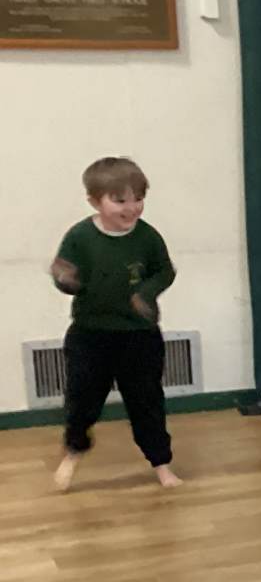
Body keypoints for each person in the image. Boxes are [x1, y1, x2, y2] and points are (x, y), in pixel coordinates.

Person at [48, 157, 180, 492]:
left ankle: (162, 464)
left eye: (138, 198)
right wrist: (65, 279)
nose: (131, 207)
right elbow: (68, 277)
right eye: (120, 200)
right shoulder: (80, 237)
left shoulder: (148, 237)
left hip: (139, 336)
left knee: (147, 402)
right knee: (81, 400)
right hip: (90, 335)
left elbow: (165, 271)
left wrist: (145, 293)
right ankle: (74, 450)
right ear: (95, 201)